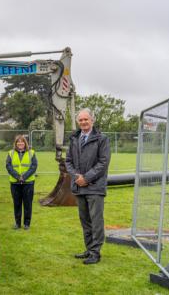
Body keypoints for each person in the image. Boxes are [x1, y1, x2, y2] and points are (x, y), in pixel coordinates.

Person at [65, 108, 111, 265]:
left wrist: (87, 177)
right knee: (85, 220)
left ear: (92, 121)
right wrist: (77, 177)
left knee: (96, 220)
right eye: (81, 120)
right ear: (78, 122)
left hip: (95, 187)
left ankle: (95, 253)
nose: (83, 122)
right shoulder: (74, 139)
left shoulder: (101, 139)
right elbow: (68, 161)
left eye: (86, 119)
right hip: (79, 186)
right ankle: (89, 249)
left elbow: (103, 162)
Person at [6, 135, 37, 230]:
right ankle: (17, 224)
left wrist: (24, 177)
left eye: (22, 141)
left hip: (28, 182)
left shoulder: (31, 153)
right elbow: (8, 166)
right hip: (15, 183)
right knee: (17, 204)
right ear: (15, 143)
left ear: (25, 143)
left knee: (28, 204)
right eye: (18, 142)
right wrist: (17, 176)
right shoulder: (10, 153)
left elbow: (34, 166)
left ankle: (27, 224)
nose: (20, 143)